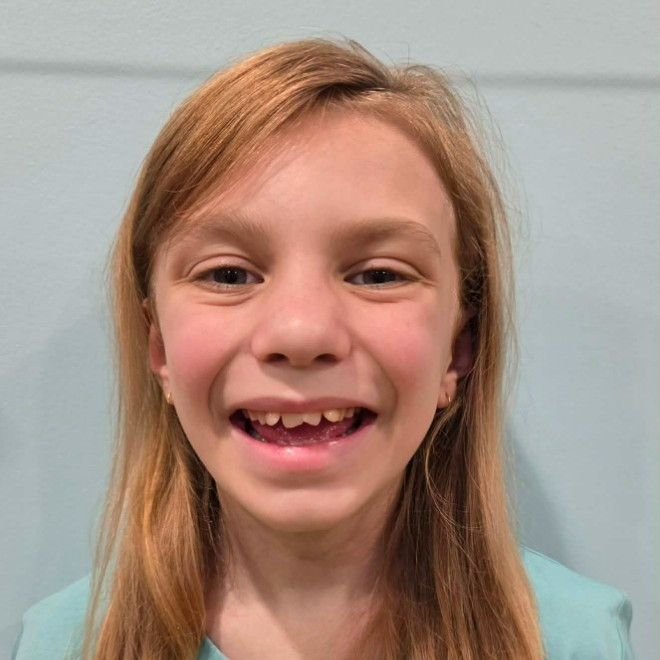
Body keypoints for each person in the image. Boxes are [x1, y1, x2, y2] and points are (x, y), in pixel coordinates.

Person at [12, 38, 635, 659]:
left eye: (379, 275)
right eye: (228, 275)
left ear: (458, 350)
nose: (301, 333)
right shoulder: (64, 644)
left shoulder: (573, 640)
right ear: (160, 351)